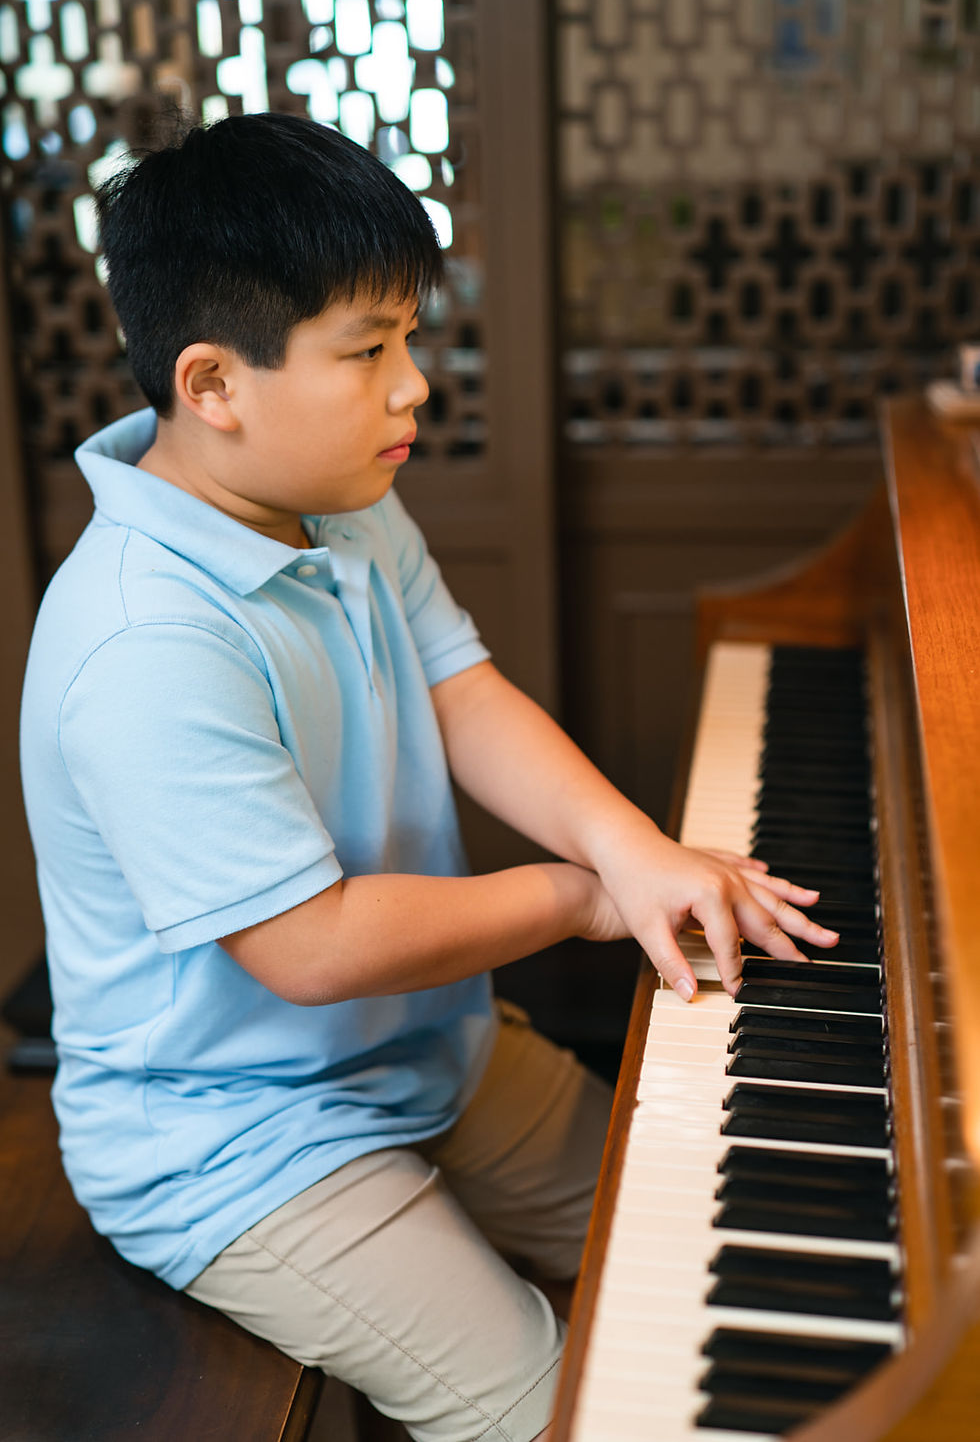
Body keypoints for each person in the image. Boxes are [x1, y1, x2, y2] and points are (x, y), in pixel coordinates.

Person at [19, 112, 838, 1442]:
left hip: (424, 1050)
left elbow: (462, 688)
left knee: (716, 1218)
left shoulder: (334, 493)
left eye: (407, 337)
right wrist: (579, 898)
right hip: (236, 1144)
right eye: (369, 351)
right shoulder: (142, 639)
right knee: (553, 1400)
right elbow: (309, 942)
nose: (415, 386)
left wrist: (634, 847)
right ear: (214, 383)